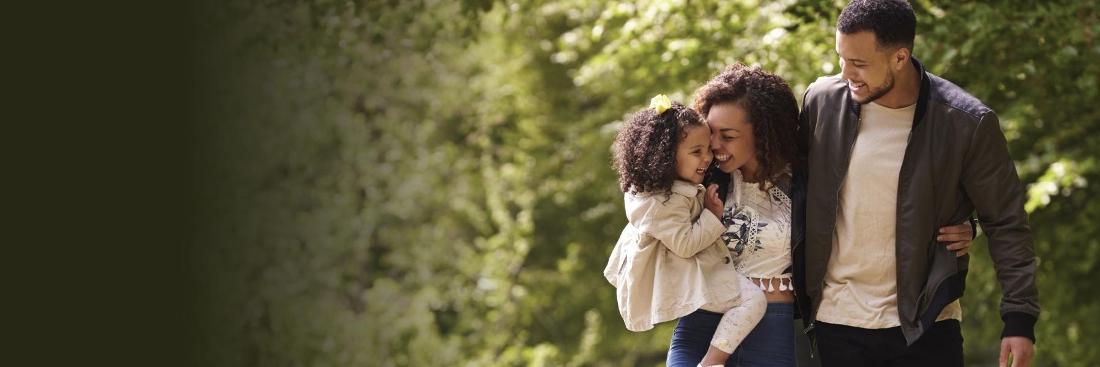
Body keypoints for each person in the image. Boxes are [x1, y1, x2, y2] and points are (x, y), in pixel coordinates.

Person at [666, 64, 975, 367]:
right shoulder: (701, 178)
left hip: (770, 328)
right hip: (700, 324)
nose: (713, 146)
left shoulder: (808, 179)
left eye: (728, 135)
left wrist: (964, 226)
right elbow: (655, 212)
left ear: (761, 133)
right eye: (711, 133)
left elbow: (883, 202)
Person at [795, 1, 1040, 367]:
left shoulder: (965, 123)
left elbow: (1006, 222)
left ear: (900, 57)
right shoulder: (822, 102)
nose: (846, 73)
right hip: (838, 321)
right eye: (841, 59)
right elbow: (789, 189)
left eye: (859, 63)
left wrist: (1019, 319)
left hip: (927, 322)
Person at [604, 95, 767, 367]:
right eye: (696, 152)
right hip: (686, 276)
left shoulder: (666, 189)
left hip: (695, 275)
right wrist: (712, 216)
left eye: (707, 149)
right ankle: (711, 362)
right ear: (666, 157)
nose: (707, 158)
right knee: (753, 301)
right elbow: (686, 244)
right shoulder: (660, 203)